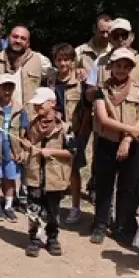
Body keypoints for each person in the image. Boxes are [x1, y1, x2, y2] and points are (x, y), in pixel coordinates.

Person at [89, 48, 139, 244]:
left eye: (126, 66)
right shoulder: (101, 91)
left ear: (131, 68)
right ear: (111, 67)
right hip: (107, 143)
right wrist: (129, 131)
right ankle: (100, 223)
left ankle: (123, 225)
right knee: (104, 186)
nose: (121, 69)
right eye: (118, 65)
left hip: (133, 145)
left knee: (128, 187)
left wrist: (127, 139)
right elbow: (103, 119)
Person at [18, 87, 72, 256]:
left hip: (54, 176)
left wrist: (52, 152)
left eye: (41, 103)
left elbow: (72, 152)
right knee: (33, 209)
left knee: (53, 210)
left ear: (52, 103)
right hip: (35, 174)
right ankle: (34, 239)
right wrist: (24, 149)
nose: (37, 107)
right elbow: (26, 143)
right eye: (35, 104)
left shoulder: (64, 127)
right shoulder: (32, 125)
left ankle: (52, 238)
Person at [50, 43, 89, 225]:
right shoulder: (50, 80)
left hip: (74, 132)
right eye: (59, 59)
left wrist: (81, 133)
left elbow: (87, 110)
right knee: (55, 167)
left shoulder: (81, 82)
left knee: (73, 170)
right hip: (55, 131)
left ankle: (75, 207)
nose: (63, 63)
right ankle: (54, 206)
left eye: (66, 59)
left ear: (73, 61)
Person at [85, 18, 139, 103]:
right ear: (110, 38)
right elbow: (88, 96)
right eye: (115, 36)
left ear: (132, 37)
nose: (120, 39)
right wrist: (99, 89)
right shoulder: (99, 62)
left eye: (124, 35)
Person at [0, 74, 28, 221]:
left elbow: (23, 131)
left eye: (10, 88)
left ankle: (9, 205)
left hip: (12, 149)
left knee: (10, 177)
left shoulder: (20, 109)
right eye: (4, 88)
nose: (7, 91)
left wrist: (22, 149)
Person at [0, 26, 50, 110]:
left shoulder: (40, 61)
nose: (18, 41)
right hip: (2, 115)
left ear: (28, 43)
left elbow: (54, 82)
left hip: (30, 115)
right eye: (15, 37)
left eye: (23, 38)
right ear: (8, 38)